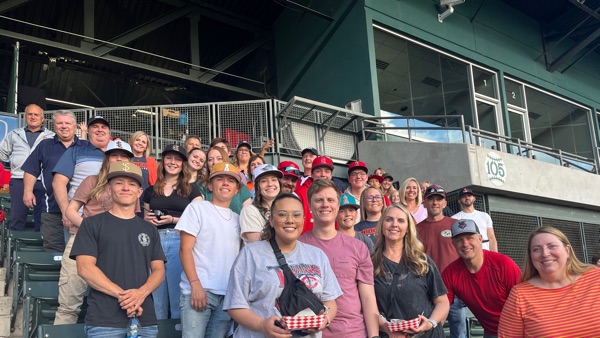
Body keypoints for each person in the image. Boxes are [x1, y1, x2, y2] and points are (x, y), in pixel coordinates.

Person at [224, 193, 342, 338]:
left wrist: (325, 319)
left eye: (296, 215)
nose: (290, 220)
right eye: (282, 215)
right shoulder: (251, 254)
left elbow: (330, 300)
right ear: (271, 220)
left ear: (304, 220)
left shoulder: (317, 255)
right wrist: (262, 325)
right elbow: (235, 305)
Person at [70, 161, 166, 338]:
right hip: (104, 322)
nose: (125, 188)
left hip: (145, 320)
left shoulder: (149, 229)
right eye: (119, 182)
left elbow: (159, 270)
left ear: (139, 192)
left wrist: (141, 294)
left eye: (132, 184)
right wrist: (127, 297)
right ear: (108, 189)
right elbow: (85, 268)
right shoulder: (91, 225)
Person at [300, 179, 380, 338]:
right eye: (318, 200)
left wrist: (374, 336)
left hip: (352, 332)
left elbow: (368, 298)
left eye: (330, 200)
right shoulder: (297, 245)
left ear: (337, 206)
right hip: (307, 333)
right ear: (309, 206)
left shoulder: (358, 247)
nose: (325, 204)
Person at [52, 116, 111, 325]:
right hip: (81, 226)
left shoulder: (120, 156)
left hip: (112, 238)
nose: (99, 130)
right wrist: (66, 212)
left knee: (105, 298)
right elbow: (59, 182)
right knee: (71, 293)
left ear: (110, 133)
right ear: (88, 131)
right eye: (95, 127)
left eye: (104, 127)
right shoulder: (77, 150)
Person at [176, 162, 243, 338]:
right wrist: (195, 284)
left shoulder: (239, 219)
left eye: (231, 180)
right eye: (220, 179)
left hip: (227, 296)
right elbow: (185, 249)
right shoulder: (197, 208)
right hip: (200, 290)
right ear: (210, 185)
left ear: (237, 189)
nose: (225, 183)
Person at [498, 226, 600, 337]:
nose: (545, 254)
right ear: (531, 257)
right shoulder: (520, 295)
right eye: (536, 249)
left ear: (567, 251)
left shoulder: (595, 278)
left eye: (552, 246)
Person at [143, 144, 203, 320]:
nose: (173, 162)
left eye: (178, 159)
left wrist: (173, 220)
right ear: (163, 161)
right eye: (169, 158)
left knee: (178, 298)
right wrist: (148, 220)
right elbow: (146, 216)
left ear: (183, 164)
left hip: (179, 240)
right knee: (157, 298)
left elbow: (200, 221)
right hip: (155, 241)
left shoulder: (192, 189)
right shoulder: (150, 190)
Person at [373, 205, 449, 338]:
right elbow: (368, 309)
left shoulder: (422, 261)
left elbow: (442, 301)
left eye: (401, 221)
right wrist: (386, 328)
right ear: (381, 225)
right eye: (389, 219)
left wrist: (430, 323)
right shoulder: (371, 263)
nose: (394, 224)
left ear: (408, 228)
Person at [443, 219, 520, 338]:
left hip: (519, 329)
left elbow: (525, 301)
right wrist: (431, 324)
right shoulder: (450, 273)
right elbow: (442, 305)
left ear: (480, 239)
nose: (465, 244)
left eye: (470, 238)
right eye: (459, 240)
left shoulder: (503, 264)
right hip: (491, 332)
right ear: (453, 243)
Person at [22, 110, 85, 251]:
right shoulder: (45, 145)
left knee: (80, 254)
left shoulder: (86, 147)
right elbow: (31, 170)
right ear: (54, 126)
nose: (64, 126)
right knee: (53, 250)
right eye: (59, 123)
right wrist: (27, 191)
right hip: (51, 209)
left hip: (82, 212)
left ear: (75, 127)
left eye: (67, 123)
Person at [415, 185, 462, 338]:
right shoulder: (415, 229)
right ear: (424, 203)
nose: (435, 202)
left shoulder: (456, 225)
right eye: (431, 199)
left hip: (454, 290)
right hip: (429, 290)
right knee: (432, 332)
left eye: (438, 199)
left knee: (459, 332)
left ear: (444, 203)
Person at [0, 104, 54, 230]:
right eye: (30, 114)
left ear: (42, 118)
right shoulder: (14, 134)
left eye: (36, 114)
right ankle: (14, 247)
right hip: (19, 179)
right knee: (17, 216)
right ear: (25, 117)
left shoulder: (51, 136)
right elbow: (2, 155)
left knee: (42, 217)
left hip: (42, 180)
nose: (33, 117)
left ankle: (42, 245)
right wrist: (12, 165)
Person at [198, 146, 252, 214]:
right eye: (210, 159)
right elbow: (199, 211)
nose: (214, 162)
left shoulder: (241, 187)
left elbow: (248, 213)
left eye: (219, 158)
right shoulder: (200, 185)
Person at [239, 164, 282, 245]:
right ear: (257, 187)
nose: (270, 184)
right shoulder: (249, 210)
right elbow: (259, 244)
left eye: (274, 179)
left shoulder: (286, 208)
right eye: (264, 181)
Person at [295, 155, 335, 234]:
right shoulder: (299, 193)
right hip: (305, 242)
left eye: (327, 171)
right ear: (312, 174)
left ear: (331, 175)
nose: (323, 174)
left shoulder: (337, 194)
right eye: (318, 171)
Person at [452, 188, 497, 252]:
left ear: (474, 198)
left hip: (486, 251)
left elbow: (491, 238)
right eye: (464, 196)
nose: (467, 198)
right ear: (459, 201)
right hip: (467, 252)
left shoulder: (485, 216)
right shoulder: (454, 218)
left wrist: (495, 254)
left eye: (469, 196)